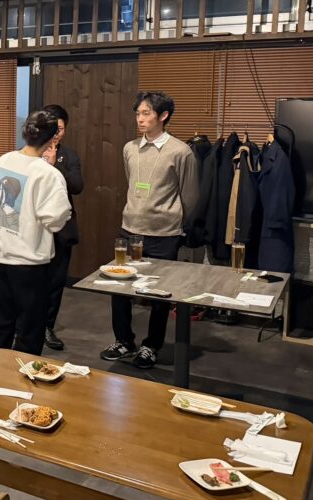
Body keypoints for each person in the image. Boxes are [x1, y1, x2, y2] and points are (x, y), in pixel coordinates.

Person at [101, 90, 199, 369]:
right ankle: (123, 340)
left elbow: (190, 195)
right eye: (138, 113)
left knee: (159, 293)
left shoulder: (181, 151)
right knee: (119, 287)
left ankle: (151, 345)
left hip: (164, 233)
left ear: (163, 116)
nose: (140, 119)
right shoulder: (130, 148)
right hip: (130, 228)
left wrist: (175, 220)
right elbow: (133, 182)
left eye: (146, 113)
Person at [0, 110, 71, 355]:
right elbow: (56, 221)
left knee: (0, 325)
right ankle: (22, 379)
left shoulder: (3, 161)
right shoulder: (48, 174)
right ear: (52, 139)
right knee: (30, 331)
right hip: (29, 265)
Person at [39, 104, 83, 352]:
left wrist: (56, 165)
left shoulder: (70, 155)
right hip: (34, 227)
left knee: (56, 280)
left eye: (61, 128)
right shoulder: (30, 153)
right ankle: (25, 324)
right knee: (31, 279)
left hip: (61, 228)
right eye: (52, 127)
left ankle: (47, 326)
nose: (56, 133)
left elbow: (77, 186)